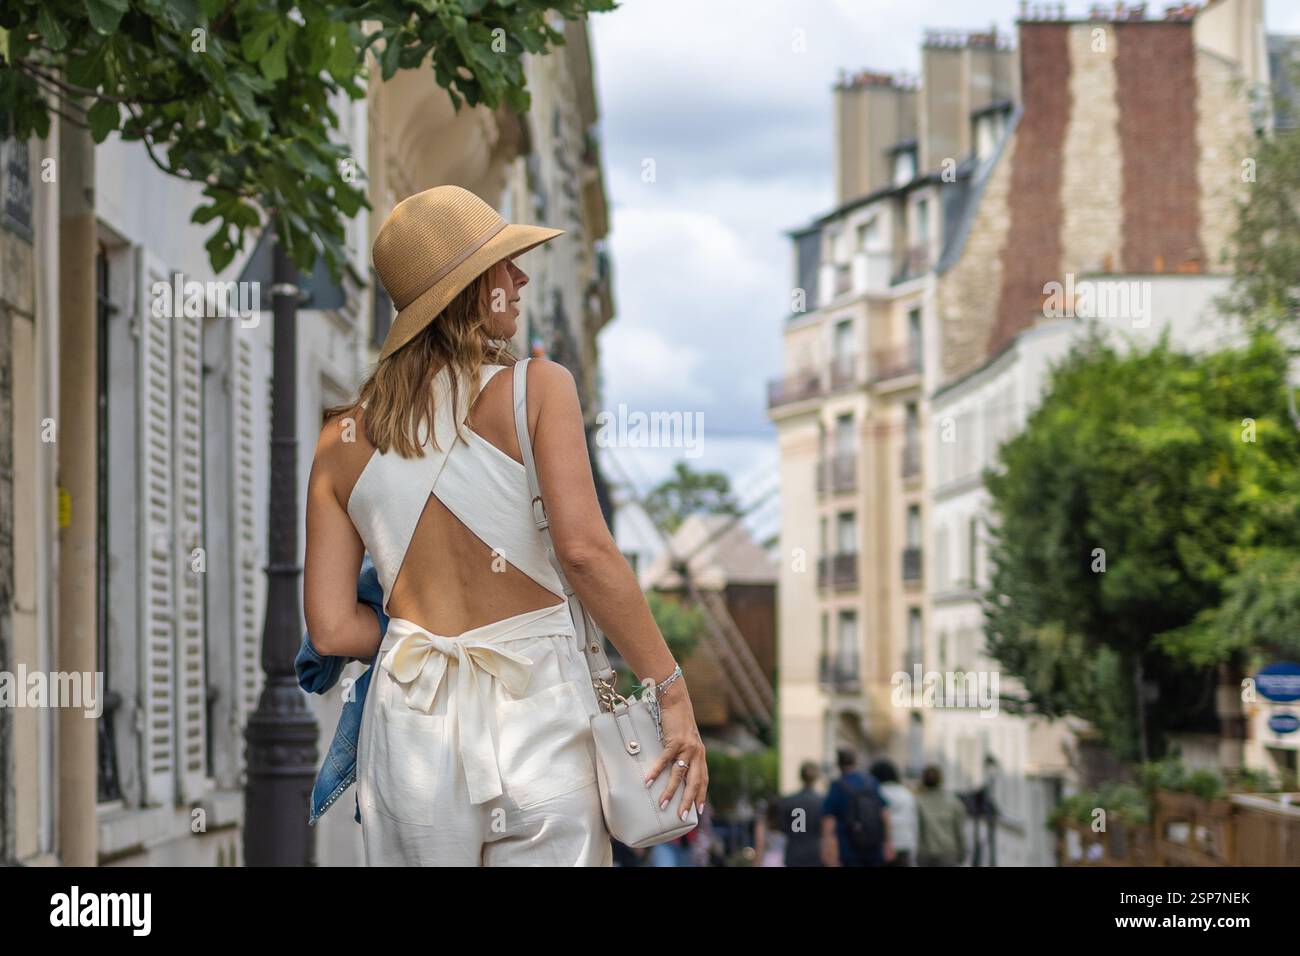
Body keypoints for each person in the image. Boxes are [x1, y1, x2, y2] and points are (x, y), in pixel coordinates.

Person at [303, 185, 708, 866]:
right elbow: (584, 552)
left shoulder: (339, 439)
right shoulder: (538, 388)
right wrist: (671, 687)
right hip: (538, 705)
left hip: (411, 719)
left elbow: (333, 631)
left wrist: (419, 635)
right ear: (467, 289)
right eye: (503, 264)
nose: (519, 278)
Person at [821, 748, 892, 867]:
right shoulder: (872, 782)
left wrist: (827, 848)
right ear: (855, 762)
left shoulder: (837, 786)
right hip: (874, 846)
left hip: (848, 849)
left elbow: (829, 820)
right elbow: (885, 813)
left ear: (838, 764)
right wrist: (888, 842)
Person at [915, 764, 968, 867]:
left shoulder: (917, 802)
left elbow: (915, 830)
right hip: (948, 852)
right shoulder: (953, 802)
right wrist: (962, 853)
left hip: (925, 853)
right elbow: (959, 830)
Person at [774, 760, 824, 867]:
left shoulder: (787, 801)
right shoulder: (822, 802)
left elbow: (782, 828)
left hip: (793, 853)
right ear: (816, 778)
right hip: (815, 854)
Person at [869, 759, 917, 867]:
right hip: (904, 842)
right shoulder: (906, 793)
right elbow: (913, 820)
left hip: (880, 844)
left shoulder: (876, 792)